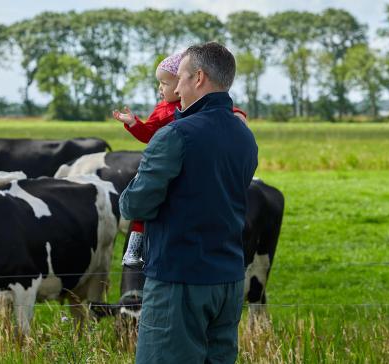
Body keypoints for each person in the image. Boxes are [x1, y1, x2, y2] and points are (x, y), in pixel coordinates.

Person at [119, 42, 258, 363]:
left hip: (178, 281)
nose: (175, 87)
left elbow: (134, 206)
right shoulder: (244, 135)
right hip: (229, 281)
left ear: (198, 78)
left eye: (180, 78)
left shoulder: (175, 135)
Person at [113, 52, 247, 269]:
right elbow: (148, 133)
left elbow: (222, 108)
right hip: (165, 162)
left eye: (166, 83)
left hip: (182, 166)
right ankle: (133, 249)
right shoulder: (162, 109)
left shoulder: (194, 107)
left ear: (190, 80)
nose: (163, 88)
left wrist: (238, 113)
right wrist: (133, 123)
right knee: (143, 212)